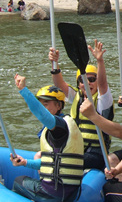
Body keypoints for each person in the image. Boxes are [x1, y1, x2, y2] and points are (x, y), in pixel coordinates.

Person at [9, 77, 84, 202]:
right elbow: (51, 163)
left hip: (53, 193)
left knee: (19, 180)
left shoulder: (60, 127)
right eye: (41, 104)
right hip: (69, 195)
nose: (43, 108)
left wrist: (23, 90)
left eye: (46, 104)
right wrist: (25, 162)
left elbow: (41, 114)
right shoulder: (66, 124)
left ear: (59, 105)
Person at [47, 40, 114, 170]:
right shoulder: (76, 96)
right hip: (75, 148)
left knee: (65, 160)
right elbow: (59, 84)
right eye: (82, 80)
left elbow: (103, 84)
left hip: (96, 153)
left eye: (92, 79)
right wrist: (54, 63)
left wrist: (100, 61)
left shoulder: (103, 100)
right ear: (78, 84)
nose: (87, 83)